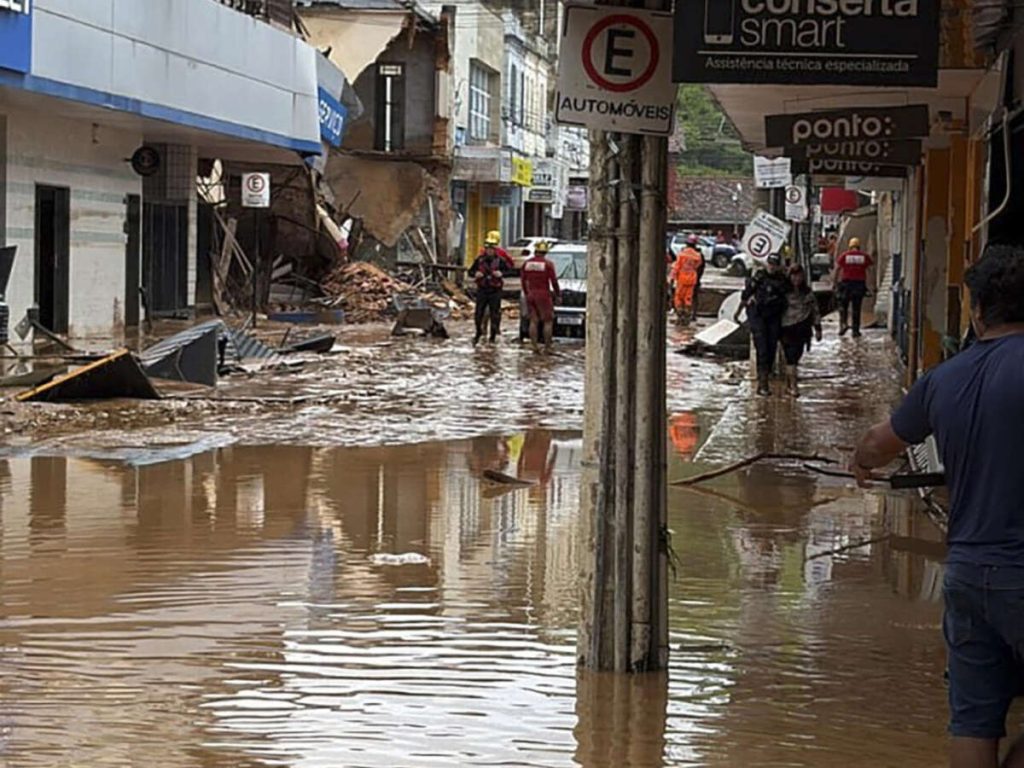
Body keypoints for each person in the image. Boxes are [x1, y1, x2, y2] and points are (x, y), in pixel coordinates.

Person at [851, 245, 1024, 768]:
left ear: (974, 309)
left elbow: (879, 444)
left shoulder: (941, 379)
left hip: (969, 575)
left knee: (973, 724)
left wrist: (861, 461)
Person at [735, 254, 790, 396]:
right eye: (770, 264)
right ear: (767, 264)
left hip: (774, 317)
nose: (772, 267)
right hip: (758, 315)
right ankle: (763, 383)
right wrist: (737, 313)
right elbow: (746, 295)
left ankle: (766, 375)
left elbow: (791, 298)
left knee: (771, 348)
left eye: (775, 264)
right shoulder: (759, 277)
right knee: (762, 348)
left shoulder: (783, 280)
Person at [780, 264, 822, 397]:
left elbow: (815, 310)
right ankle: (793, 386)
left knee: (796, 356)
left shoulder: (807, 292)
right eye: (793, 275)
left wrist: (818, 328)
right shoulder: (783, 291)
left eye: (799, 276)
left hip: (803, 329)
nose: (796, 278)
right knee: (790, 357)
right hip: (786, 328)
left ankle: (788, 384)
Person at [468, 232, 513, 345]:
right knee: (479, 313)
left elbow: (510, 271)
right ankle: (478, 332)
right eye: (487, 249)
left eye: (491, 249)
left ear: (495, 250)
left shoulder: (500, 260)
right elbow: (470, 271)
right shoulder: (479, 260)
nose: (489, 251)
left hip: (495, 291)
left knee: (495, 313)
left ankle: (492, 336)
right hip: (482, 290)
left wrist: (501, 273)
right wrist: (475, 274)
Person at [520, 241, 561, 354]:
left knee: (533, 321)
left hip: (531, 294)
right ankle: (547, 347)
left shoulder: (527, 263)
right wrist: (558, 295)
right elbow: (554, 281)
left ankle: (534, 347)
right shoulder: (548, 264)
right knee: (548, 321)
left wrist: (527, 293)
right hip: (543, 294)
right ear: (545, 252)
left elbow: (523, 281)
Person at [833, 236, 874, 337]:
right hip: (859, 285)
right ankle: (855, 331)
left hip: (846, 284)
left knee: (843, 306)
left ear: (850, 246)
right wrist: (872, 285)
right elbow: (871, 271)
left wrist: (834, 283)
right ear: (858, 246)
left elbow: (837, 269)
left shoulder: (845, 255)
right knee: (856, 308)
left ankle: (843, 324)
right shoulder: (864, 256)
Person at [670, 235, 704, 325]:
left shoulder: (682, 254)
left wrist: (672, 278)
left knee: (678, 298)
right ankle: (686, 319)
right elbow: (698, 266)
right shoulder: (698, 256)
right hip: (692, 279)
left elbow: (676, 267)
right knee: (688, 299)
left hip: (682, 279)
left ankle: (680, 317)